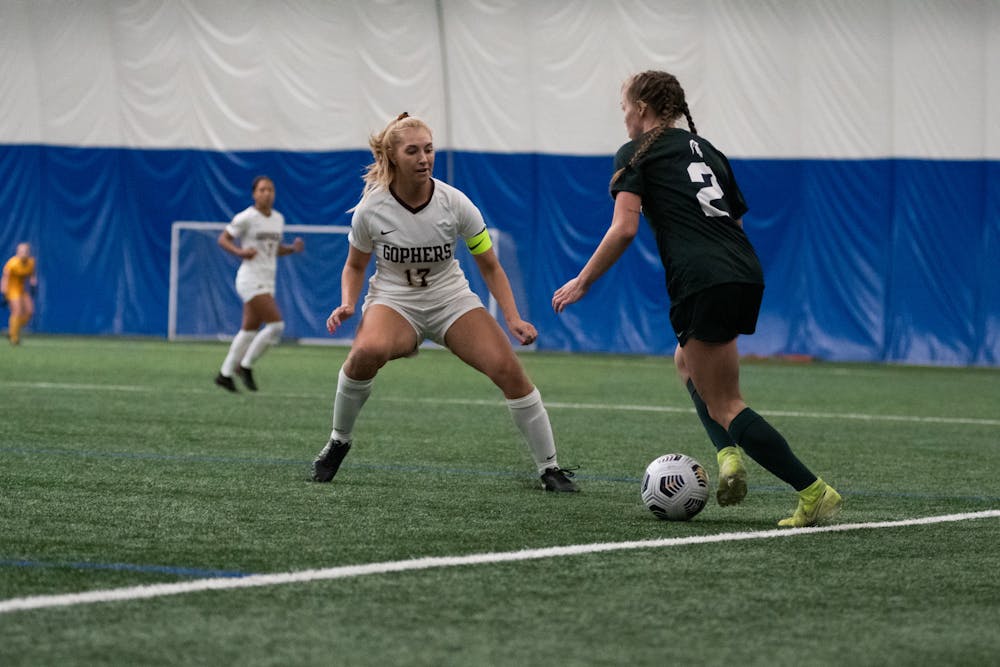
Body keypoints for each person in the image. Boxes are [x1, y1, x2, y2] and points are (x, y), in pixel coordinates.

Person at [552, 71, 841, 525]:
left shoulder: (635, 153)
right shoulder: (710, 151)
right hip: (743, 270)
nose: (624, 117)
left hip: (702, 278)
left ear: (642, 109)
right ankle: (728, 456)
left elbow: (624, 227)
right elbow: (736, 225)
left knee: (727, 403)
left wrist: (584, 280)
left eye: (625, 107)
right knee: (687, 364)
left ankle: (812, 491)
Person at [312, 112, 578, 493]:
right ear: (392, 157)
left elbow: (490, 265)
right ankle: (339, 440)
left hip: (450, 299)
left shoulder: (455, 203)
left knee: (508, 368)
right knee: (364, 353)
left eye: (429, 149)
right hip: (394, 301)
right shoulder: (372, 209)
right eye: (413, 151)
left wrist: (513, 318)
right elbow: (354, 266)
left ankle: (550, 468)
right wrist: (348, 303)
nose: (424, 158)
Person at [214, 175, 304, 392]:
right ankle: (244, 365)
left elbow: (274, 249)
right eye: (262, 190)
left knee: (248, 330)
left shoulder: (278, 219)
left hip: (267, 279)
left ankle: (224, 374)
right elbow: (223, 239)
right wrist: (240, 251)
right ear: (254, 194)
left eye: (270, 189)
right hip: (249, 279)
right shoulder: (246, 217)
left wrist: (291, 248)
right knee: (276, 325)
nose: (267, 193)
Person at [1, 242, 38, 345]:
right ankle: (14, 338)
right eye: (21, 251)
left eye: (26, 251)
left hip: (22, 290)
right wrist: (4, 293)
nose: (24, 253)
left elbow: (32, 275)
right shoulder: (12, 264)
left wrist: (33, 285)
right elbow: (5, 279)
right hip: (11, 290)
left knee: (30, 312)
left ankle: (12, 330)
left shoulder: (31, 262)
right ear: (17, 252)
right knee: (17, 311)